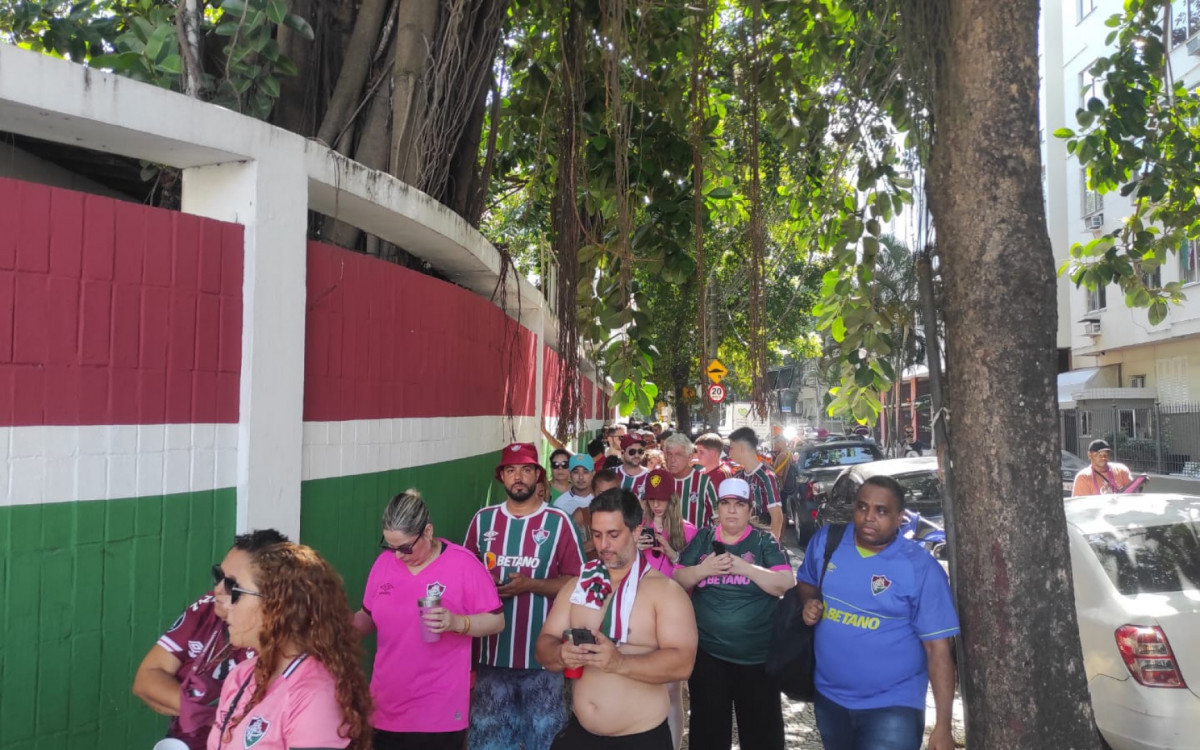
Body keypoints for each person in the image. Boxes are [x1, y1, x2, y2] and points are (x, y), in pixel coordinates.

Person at [797, 476, 959, 750]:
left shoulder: (920, 569)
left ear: (900, 518)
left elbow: (938, 651)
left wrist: (943, 726)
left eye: (881, 511)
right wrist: (809, 601)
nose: (869, 517)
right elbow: (807, 581)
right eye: (862, 507)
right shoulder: (828, 542)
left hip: (893, 706)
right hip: (829, 699)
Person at [535, 489, 698, 750]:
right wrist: (561, 653)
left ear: (635, 532)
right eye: (597, 535)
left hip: (640, 738)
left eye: (613, 535)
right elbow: (544, 644)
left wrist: (620, 662)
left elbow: (682, 664)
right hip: (581, 733)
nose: (603, 545)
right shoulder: (578, 586)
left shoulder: (666, 593)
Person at [352, 490, 505, 750]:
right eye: (390, 547)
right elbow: (368, 617)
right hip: (385, 705)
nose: (398, 555)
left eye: (405, 547)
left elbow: (496, 621)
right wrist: (332, 628)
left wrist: (458, 623)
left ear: (428, 531)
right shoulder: (383, 564)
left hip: (438, 712)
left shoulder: (463, 564)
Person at [462, 443, 586, 750]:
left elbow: (577, 583)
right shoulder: (483, 520)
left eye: (527, 470)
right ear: (502, 476)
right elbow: (461, 578)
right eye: (512, 470)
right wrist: (484, 582)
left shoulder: (558, 522)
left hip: (543, 659)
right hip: (491, 657)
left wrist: (531, 585)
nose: (519, 477)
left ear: (538, 477)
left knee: (545, 743)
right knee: (488, 744)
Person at [133, 529, 289, 750]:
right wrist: (206, 713)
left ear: (269, 597)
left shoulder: (289, 641)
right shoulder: (208, 607)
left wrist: (220, 717)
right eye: (218, 576)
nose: (218, 589)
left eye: (233, 585)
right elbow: (146, 679)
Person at [209, 542, 372, 750]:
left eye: (237, 593)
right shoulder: (240, 676)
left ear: (279, 606)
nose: (228, 605)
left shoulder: (315, 694)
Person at [672, 479, 794, 750]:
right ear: (717, 508)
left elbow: (785, 583)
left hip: (756, 656)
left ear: (750, 510)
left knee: (761, 731)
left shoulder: (763, 541)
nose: (731, 510)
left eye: (739, 504)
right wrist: (704, 570)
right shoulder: (704, 538)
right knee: (708, 731)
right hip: (709, 654)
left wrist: (745, 568)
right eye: (725, 503)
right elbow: (677, 578)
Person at [727, 427, 784, 540]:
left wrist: (771, 548)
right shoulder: (737, 476)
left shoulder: (767, 477)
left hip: (759, 542)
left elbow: (777, 517)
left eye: (732, 448)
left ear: (742, 448)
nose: (729, 453)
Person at [663, 433, 717, 528]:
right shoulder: (660, 480)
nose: (672, 460)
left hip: (696, 541)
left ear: (690, 457)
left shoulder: (704, 483)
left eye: (678, 455)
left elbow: (717, 519)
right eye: (669, 454)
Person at [556, 454, 597, 559]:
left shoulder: (600, 499)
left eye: (585, 472)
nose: (581, 477)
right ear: (569, 475)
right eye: (576, 472)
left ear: (593, 474)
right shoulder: (560, 504)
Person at [694, 433, 733, 497]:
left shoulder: (723, 474)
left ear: (714, 454)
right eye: (697, 451)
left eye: (701, 452)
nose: (697, 455)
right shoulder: (700, 472)